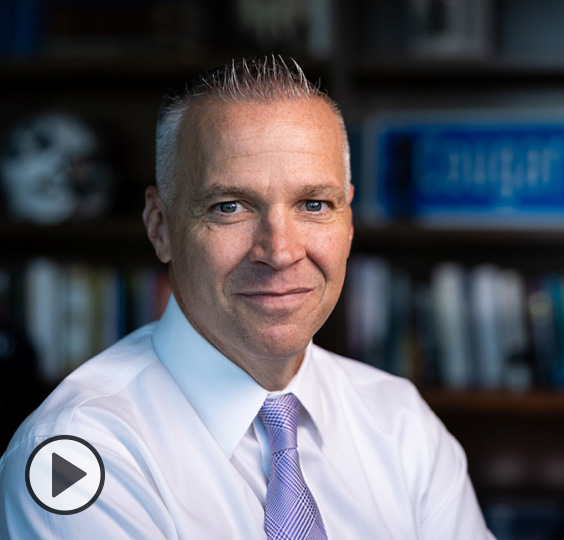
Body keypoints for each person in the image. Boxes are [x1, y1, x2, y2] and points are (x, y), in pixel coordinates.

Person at [0, 56, 495, 539]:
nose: (280, 251)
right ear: (160, 227)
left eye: (314, 204)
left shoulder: (401, 423)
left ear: (347, 220)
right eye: (229, 206)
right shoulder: (75, 453)